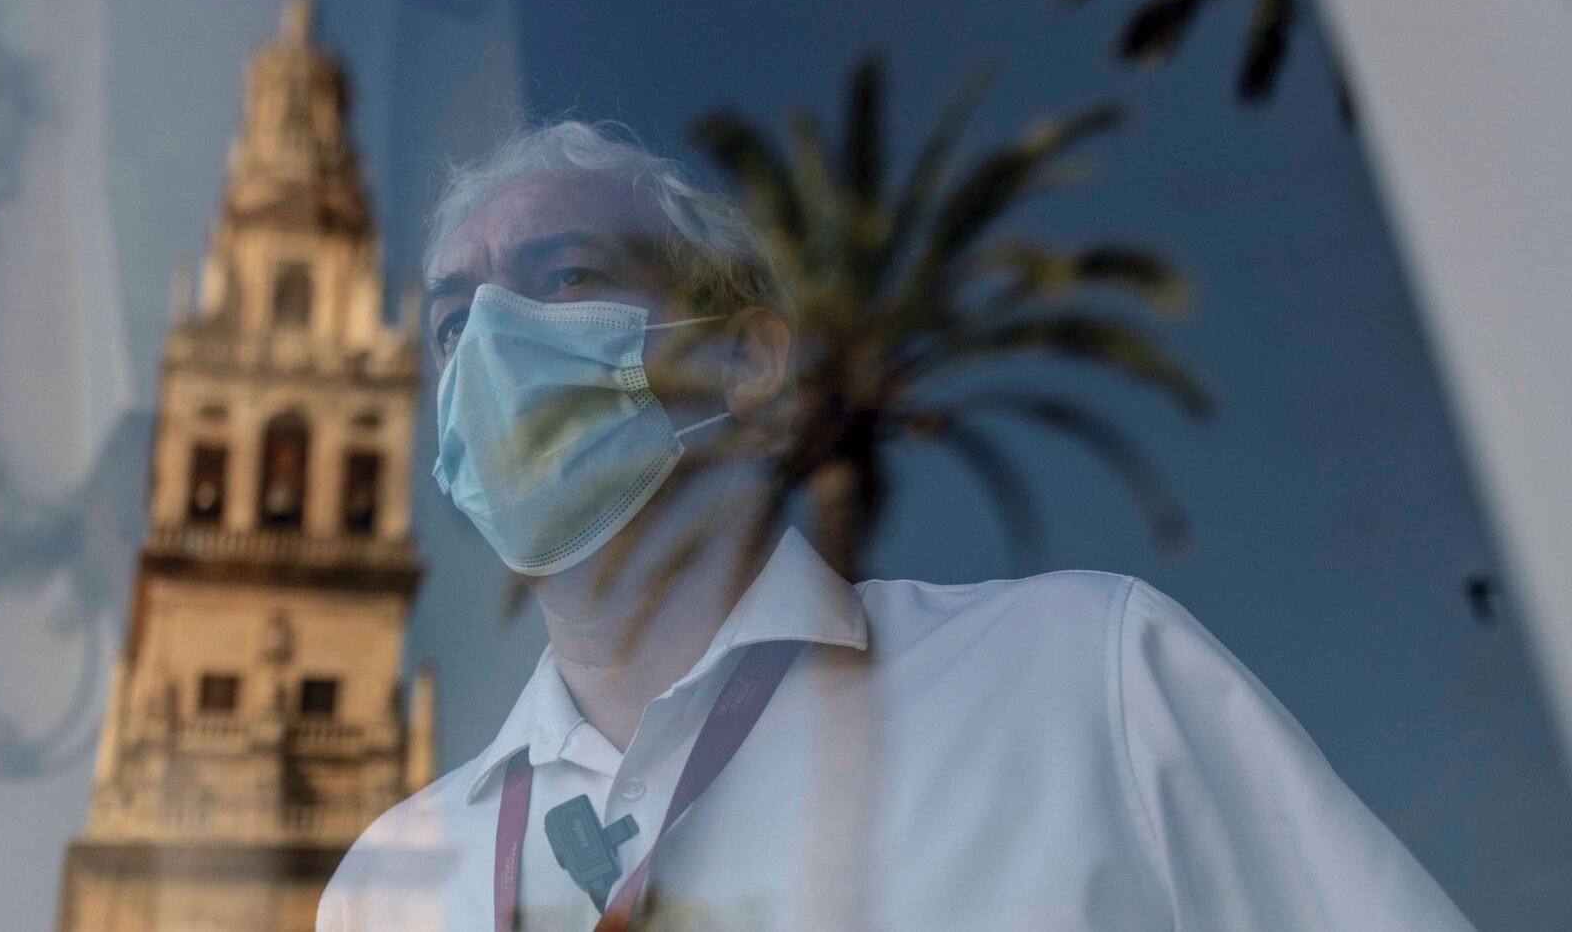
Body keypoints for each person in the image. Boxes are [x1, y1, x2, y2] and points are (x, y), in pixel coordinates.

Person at [317, 120, 1477, 931]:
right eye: (455, 321)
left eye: (561, 278)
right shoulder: (392, 887)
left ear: (748, 363)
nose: (492, 352)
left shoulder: (1084, 681)